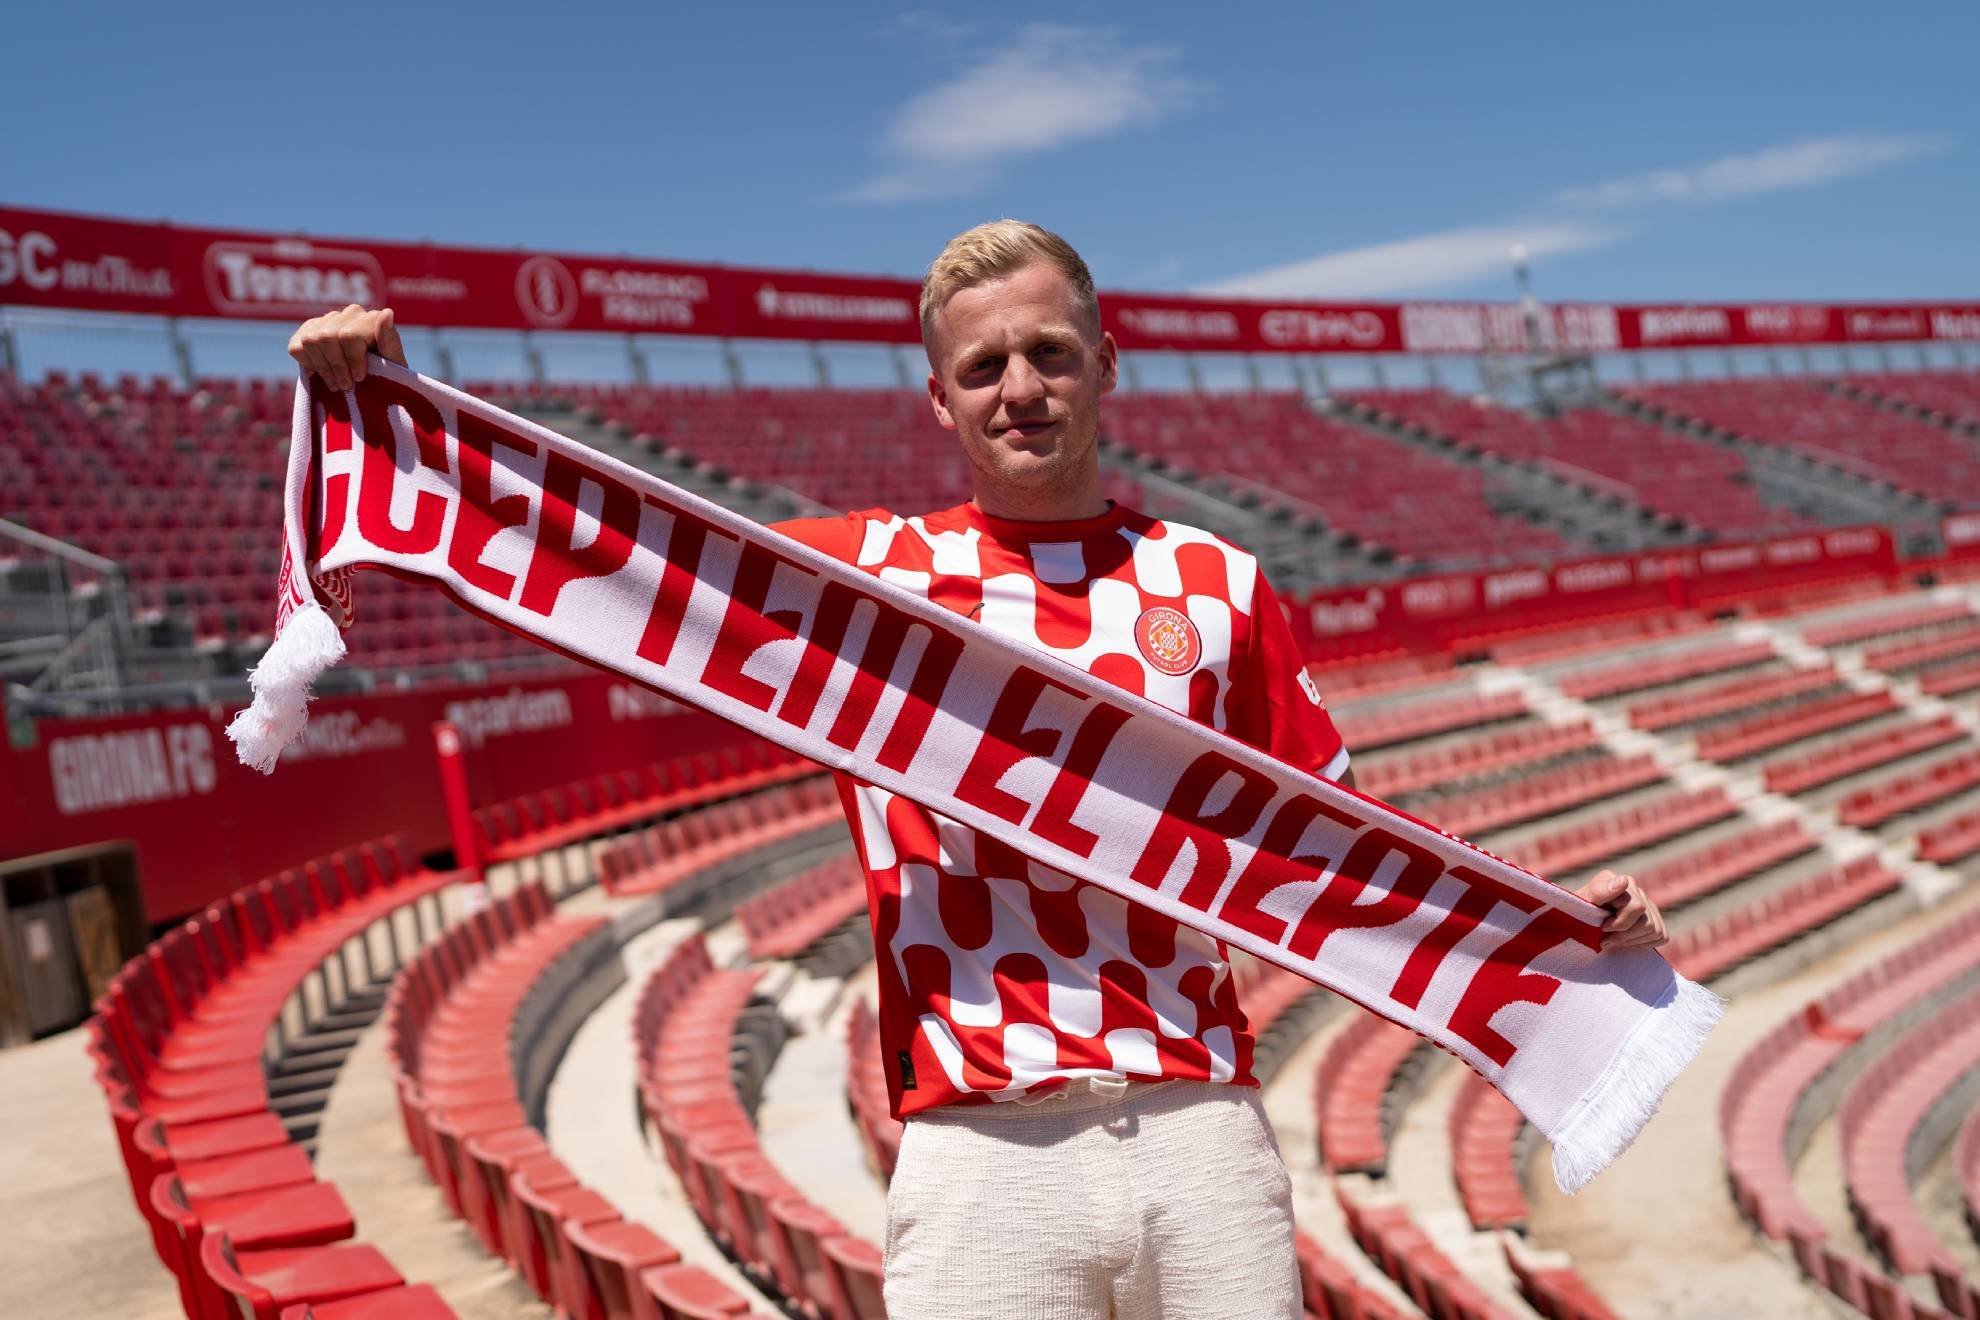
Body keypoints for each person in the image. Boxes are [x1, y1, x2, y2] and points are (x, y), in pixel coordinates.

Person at [288, 220, 1669, 1319]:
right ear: (938, 398)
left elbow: (1340, 848)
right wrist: (398, 412)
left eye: (1052, 353)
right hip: (979, 1157)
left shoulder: (1220, 581)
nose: (1022, 389)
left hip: (1200, 1126)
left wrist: (1559, 928)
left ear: (1109, 363)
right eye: (984, 367)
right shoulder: (865, 583)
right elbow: (606, 557)